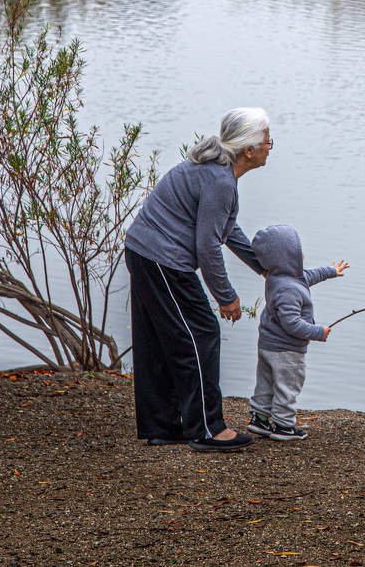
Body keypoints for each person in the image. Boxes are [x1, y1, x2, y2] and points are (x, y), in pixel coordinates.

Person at [123, 107, 272, 453]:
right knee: (201, 334)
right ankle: (207, 429)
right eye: (267, 141)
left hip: (145, 252)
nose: (269, 147)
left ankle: (164, 426)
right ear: (248, 150)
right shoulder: (220, 180)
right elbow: (207, 246)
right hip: (162, 259)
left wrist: (261, 266)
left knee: (163, 340)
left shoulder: (219, 172)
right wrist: (226, 297)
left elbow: (226, 228)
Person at [246, 225, 349, 440]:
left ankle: (260, 419)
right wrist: (317, 332)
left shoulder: (279, 277)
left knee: (266, 381)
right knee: (288, 384)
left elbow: (310, 275)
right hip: (286, 349)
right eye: (296, 249)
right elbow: (291, 324)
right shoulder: (289, 289)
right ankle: (284, 426)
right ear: (285, 256)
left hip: (268, 344)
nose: (301, 252)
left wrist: (331, 271)